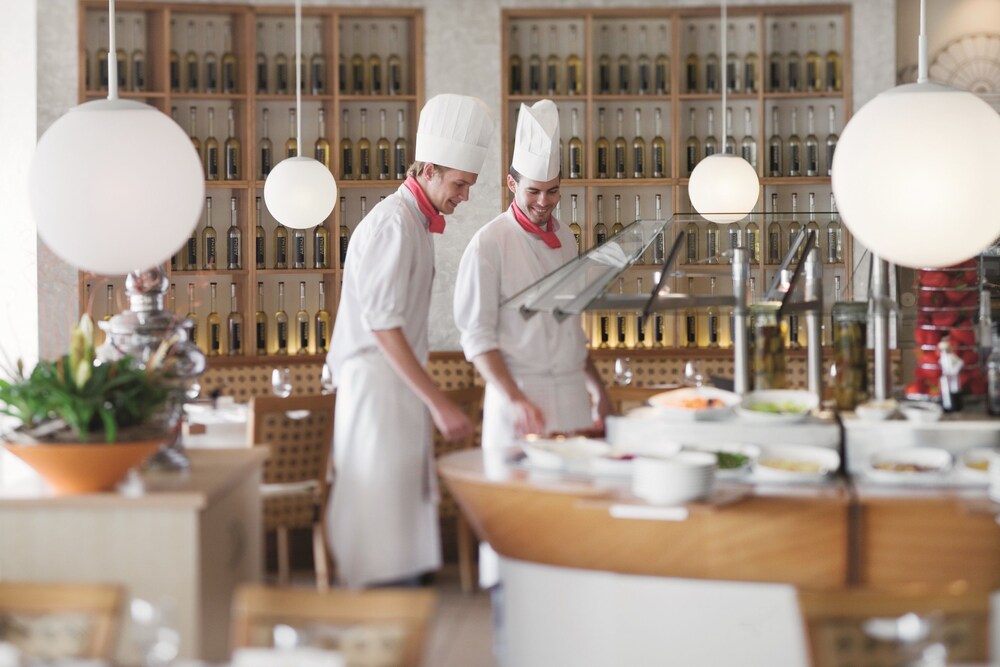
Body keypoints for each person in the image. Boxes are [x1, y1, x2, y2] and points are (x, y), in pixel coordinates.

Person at [326, 93, 494, 588]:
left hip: (393, 389)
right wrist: (439, 402)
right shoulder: (393, 224)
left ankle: (398, 607)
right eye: (460, 184)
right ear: (429, 170)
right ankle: (377, 612)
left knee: (397, 519)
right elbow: (383, 326)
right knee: (379, 522)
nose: (464, 196)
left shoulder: (415, 223)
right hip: (375, 388)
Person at [454, 99, 610, 587]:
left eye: (553, 191)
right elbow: (477, 338)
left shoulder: (568, 240)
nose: (544, 202)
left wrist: (597, 388)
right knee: (520, 537)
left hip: (571, 400)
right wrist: (515, 399)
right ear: (510, 184)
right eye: (534, 191)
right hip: (520, 403)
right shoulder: (488, 244)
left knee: (575, 536)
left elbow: (571, 325)